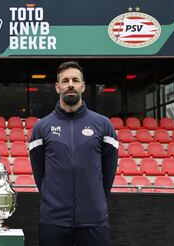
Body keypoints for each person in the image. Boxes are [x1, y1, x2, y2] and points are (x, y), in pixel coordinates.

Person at [29, 61, 118, 246]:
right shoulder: (41, 127)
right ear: (57, 86)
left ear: (82, 86)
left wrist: (94, 200)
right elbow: (40, 175)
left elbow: (108, 172)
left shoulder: (103, 125)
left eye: (75, 80)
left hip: (94, 222)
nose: (70, 84)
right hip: (54, 222)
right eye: (65, 80)